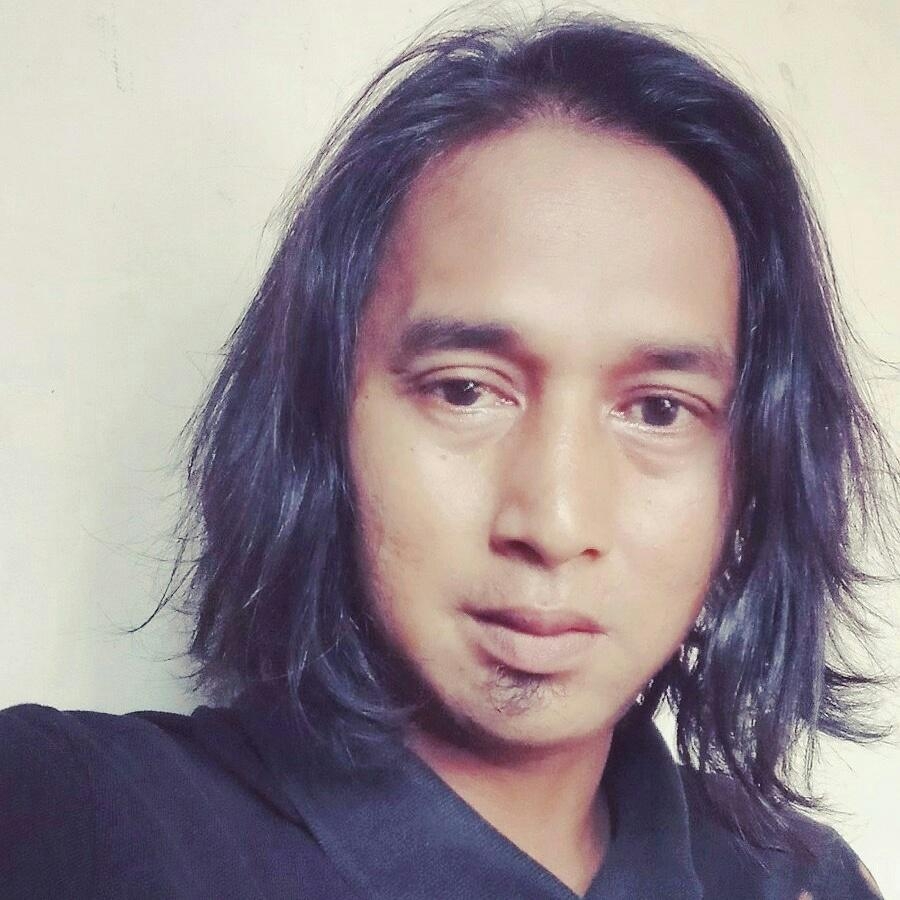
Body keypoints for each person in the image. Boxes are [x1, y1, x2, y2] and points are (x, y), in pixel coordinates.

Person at [1, 11, 894, 899]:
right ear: (323, 414)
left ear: (755, 472)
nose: (554, 522)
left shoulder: (800, 881)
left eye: (660, 410)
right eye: (464, 390)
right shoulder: (70, 823)